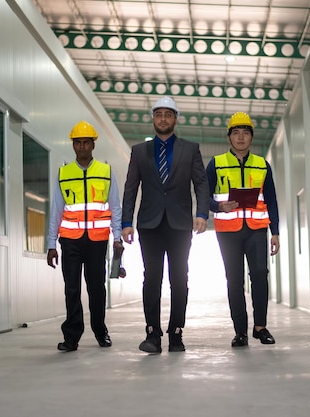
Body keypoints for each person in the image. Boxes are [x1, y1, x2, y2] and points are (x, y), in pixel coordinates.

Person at [121, 96, 209, 354]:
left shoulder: (190, 149)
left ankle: (176, 333)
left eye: (168, 115)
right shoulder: (139, 151)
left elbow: (201, 183)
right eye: (158, 114)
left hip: (180, 224)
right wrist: (127, 222)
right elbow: (130, 187)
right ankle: (152, 334)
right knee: (152, 278)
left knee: (179, 278)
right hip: (149, 224)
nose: (163, 119)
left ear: (175, 119)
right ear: (153, 119)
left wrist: (202, 213)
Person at [47, 120, 123, 352]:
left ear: (93, 144)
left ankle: (101, 332)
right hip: (70, 240)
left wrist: (117, 237)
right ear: (73, 145)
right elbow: (56, 211)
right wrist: (51, 244)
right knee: (71, 288)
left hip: (98, 241)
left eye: (86, 142)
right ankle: (71, 337)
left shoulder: (106, 171)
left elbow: (115, 207)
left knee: (96, 288)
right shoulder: (64, 173)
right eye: (78, 142)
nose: (82, 146)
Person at [206, 112, 280, 348]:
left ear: (251, 137)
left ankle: (260, 327)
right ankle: (241, 332)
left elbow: (271, 199)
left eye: (245, 133)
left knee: (259, 275)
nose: (241, 137)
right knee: (234, 281)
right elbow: (202, 196)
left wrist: (275, 231)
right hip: (227, 230)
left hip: (257, 229)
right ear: (229, 137)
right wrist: (218, 205)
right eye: (236, 133)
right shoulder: (216, 164)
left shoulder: (262, 164)